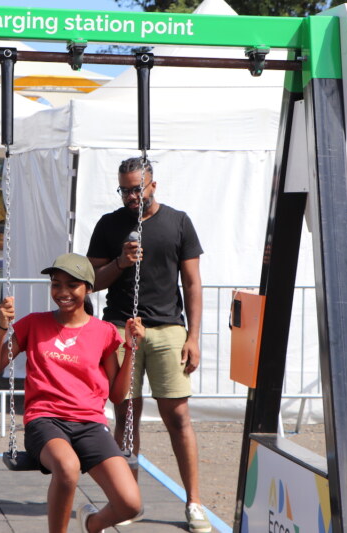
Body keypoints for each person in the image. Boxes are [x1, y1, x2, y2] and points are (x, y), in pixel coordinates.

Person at [86, 157, 210, 532]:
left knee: (178, 417)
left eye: (137, 189)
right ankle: (128, 500)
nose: (131, 197)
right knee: (126, 415)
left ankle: (194, 502)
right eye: (124, 190)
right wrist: (121, 263)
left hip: (169, 328)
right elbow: (91, 281)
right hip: (120, 328)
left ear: (153, 185)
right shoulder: (109, 225)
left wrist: (193, 337)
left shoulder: (179, 222)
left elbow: (192, 283)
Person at [0, 253, 143, 533]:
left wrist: (131, 348)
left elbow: (118, 396)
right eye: (56, 284)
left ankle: (92, 523)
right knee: (67, 468)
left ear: (88, 288)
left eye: (72, 285)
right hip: (45, 420)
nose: (63, 292)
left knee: (130, 504)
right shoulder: (34, 324)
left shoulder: (104, 332)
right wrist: (2, 327)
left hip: (90, 423)